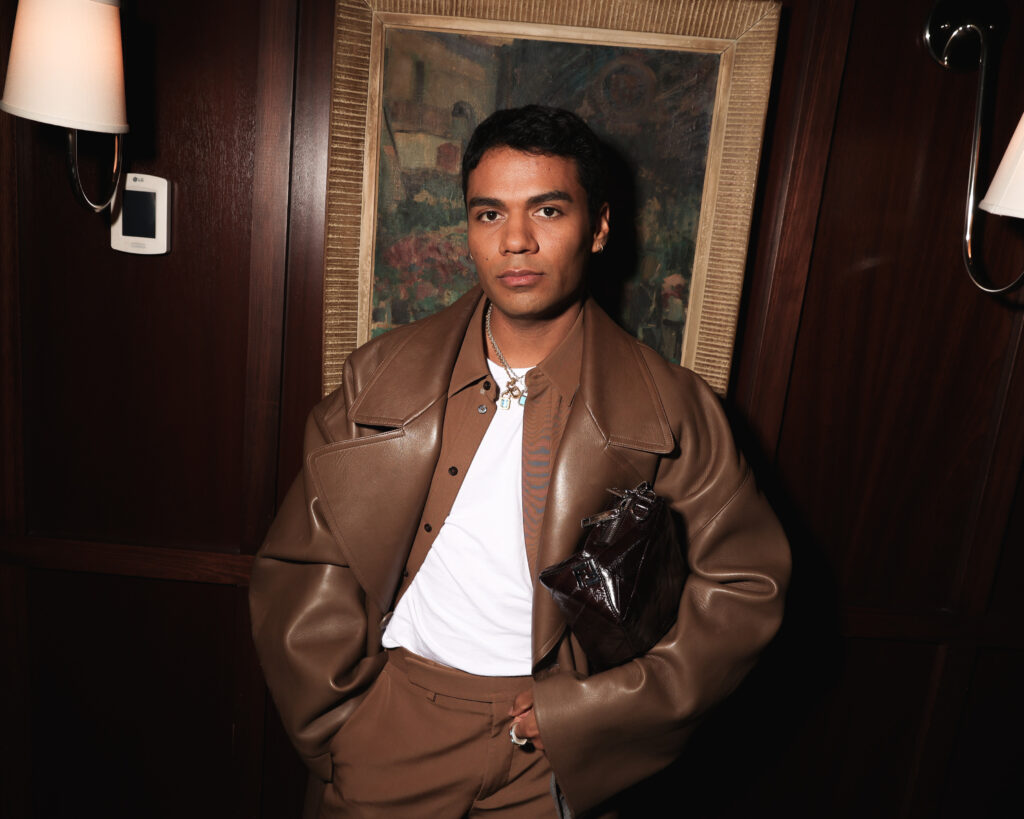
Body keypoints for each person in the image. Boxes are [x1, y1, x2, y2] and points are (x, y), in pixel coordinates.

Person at [249, 105, 790, 818]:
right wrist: (339, 722)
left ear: (599, 227)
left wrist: (598, 713)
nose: (515, 241)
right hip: (392, 722)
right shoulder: (378, 375)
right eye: (489, 214)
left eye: (548, 210)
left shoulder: (672, 406)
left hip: (551, 747)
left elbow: (746, 587)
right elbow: (302, 562)